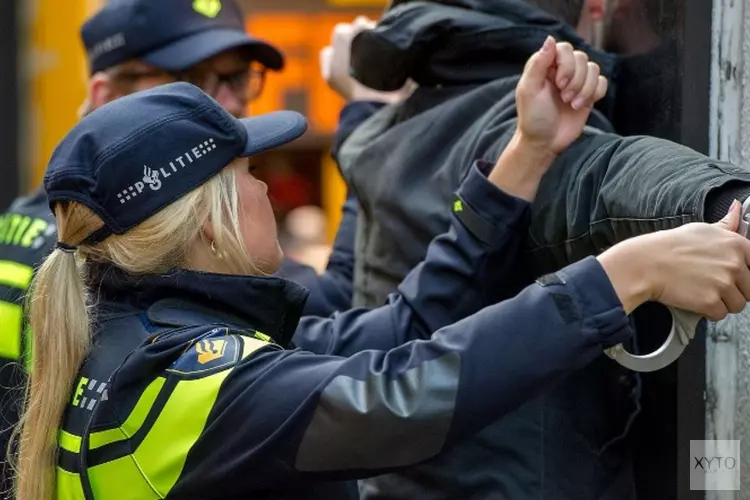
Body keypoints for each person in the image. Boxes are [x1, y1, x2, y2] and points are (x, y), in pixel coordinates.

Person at [17, 43, 750, 500]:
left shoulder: (146, 335)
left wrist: (525, 155)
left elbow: (399, 329)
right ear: (207, 219)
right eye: (248, 171)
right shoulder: (188, 382)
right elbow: (401, 399)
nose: (269, 187)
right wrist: (620, 276)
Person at [336, 0, 750, 498]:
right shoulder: (503, 119)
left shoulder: (387, 130)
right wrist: (732, 205)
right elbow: (602, 177)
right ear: (596, 7)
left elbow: (399, 323)